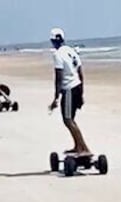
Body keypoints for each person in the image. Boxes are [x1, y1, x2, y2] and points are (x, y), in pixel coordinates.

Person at [47, 27, 91, 155]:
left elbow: (59, 77)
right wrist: (81, 94)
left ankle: (85, 149)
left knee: (67, 120)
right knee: (71, 119)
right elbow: (80, 73)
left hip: (69, 90)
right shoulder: (71, 51)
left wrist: (56, 98)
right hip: (77, 87)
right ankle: (78, 146)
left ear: (53, 41)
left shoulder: (58, 54)